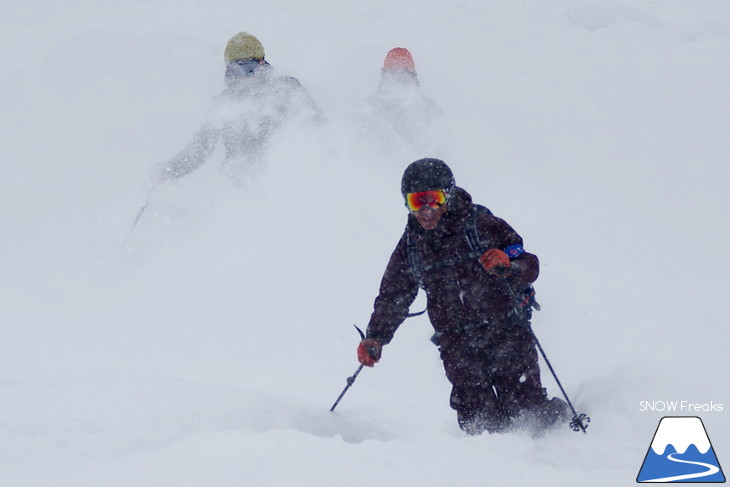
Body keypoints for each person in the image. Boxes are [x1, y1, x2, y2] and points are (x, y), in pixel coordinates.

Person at [357, 158, 569, 435]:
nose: (426, 210)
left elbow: (528, 263)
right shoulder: (411, 245)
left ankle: (558, 444)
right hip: (456, 343)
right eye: (416, 201)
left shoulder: (481, 225)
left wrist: (510, 265)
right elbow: (393, 295)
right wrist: (375, 336)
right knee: (479, 421)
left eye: (432, 198)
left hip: (506, 330)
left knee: (525, 410)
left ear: (449, 194)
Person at [159, 32, 323, 185]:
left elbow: (317, 127)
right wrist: (171, 170)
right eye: (237, 71)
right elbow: (201, 148)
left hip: (284, 180)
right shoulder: (224, 103)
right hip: (239, 185)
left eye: (250, 68)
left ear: (262, 63)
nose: (246, 78)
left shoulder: (285, 89)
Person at [354, 48, 448, 159]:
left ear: (412, 77)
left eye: (403, 74)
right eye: (393, 73)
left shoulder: (427, 109)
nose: (398, 78)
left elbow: (441, 145)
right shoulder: (367, 110)